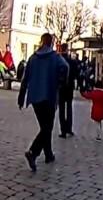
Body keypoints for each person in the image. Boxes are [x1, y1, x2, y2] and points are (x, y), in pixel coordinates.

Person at [18, 33, 69, 172]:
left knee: (45, 127)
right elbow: (65, 67)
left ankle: (48, 154)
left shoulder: (33, 58)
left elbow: (25, 78)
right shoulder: (55, 57)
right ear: (51, 42)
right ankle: (33, 153)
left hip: (35, 97)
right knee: (47, 127)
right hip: (49, 96)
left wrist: (21, 97)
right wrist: (60, 82)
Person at [58, 43, 79, 138]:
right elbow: (76, 74)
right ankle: (69, 129)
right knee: (69, 108)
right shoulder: (72, 62)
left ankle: (63, 130)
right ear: (67, 50)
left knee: (61, 109)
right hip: (69, 87)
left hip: (61, 87)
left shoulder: (58, 61)